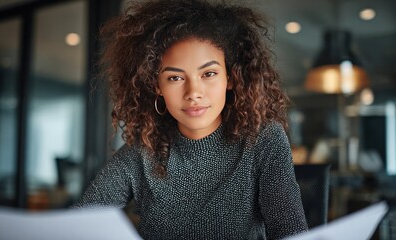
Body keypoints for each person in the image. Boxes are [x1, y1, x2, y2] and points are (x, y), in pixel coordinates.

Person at [73, 0, 308, 239]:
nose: (193, 92)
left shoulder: (263, 139)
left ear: (231, 77)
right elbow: (78, 226)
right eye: (175, 78)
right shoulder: (141, 152)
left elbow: (291, 234)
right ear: (156, 85)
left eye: (209, 74)